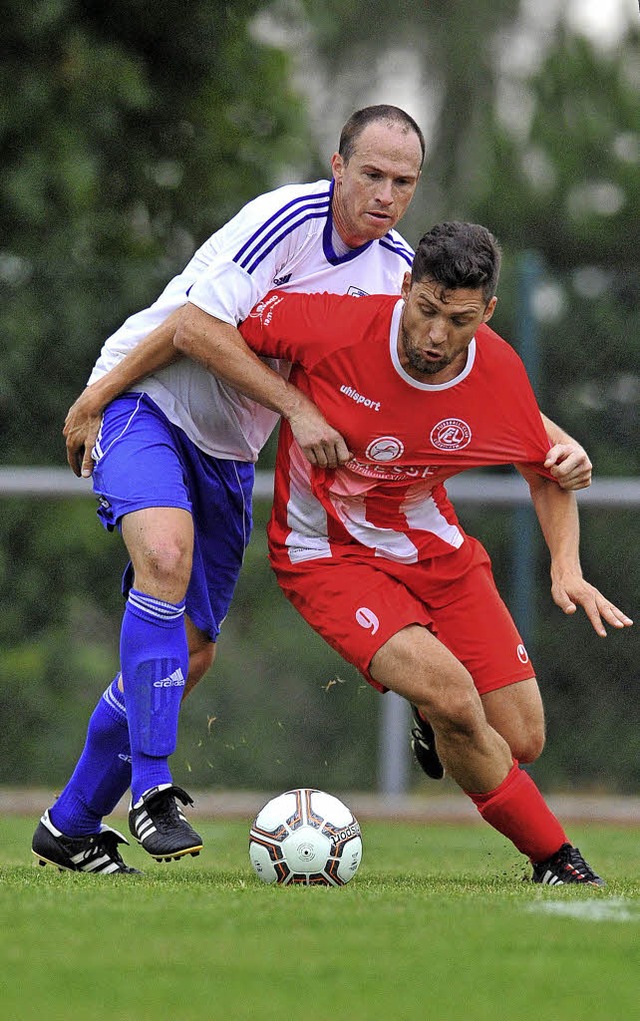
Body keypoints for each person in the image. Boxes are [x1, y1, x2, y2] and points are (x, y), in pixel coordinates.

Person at [32, 106, 591, 875]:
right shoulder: (286, 220)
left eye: (403, 180)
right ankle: (153, 789)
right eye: (371, 174)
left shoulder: (400, 275)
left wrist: (552, 438)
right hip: (147, 400)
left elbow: (460, 369)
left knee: (188, 654)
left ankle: (70, 824)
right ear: (338, 166)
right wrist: (99, 393)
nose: (386, 193)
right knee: (163, 555)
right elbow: (191, 327)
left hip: (228, 453)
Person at [172, 221, 632, 885]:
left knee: (522, 737)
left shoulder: (497, 370)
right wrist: (292, 405)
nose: (437, 335)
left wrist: (567, 566)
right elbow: (201, 324)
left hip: (436, 550)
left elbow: (547, 467)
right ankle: (555, 858)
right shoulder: (333, 324)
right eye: (426, 309)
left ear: (488, 313)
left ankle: (430, 713)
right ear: (405, 287)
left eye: (459, 319)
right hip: (323, 555)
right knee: (454, 700)